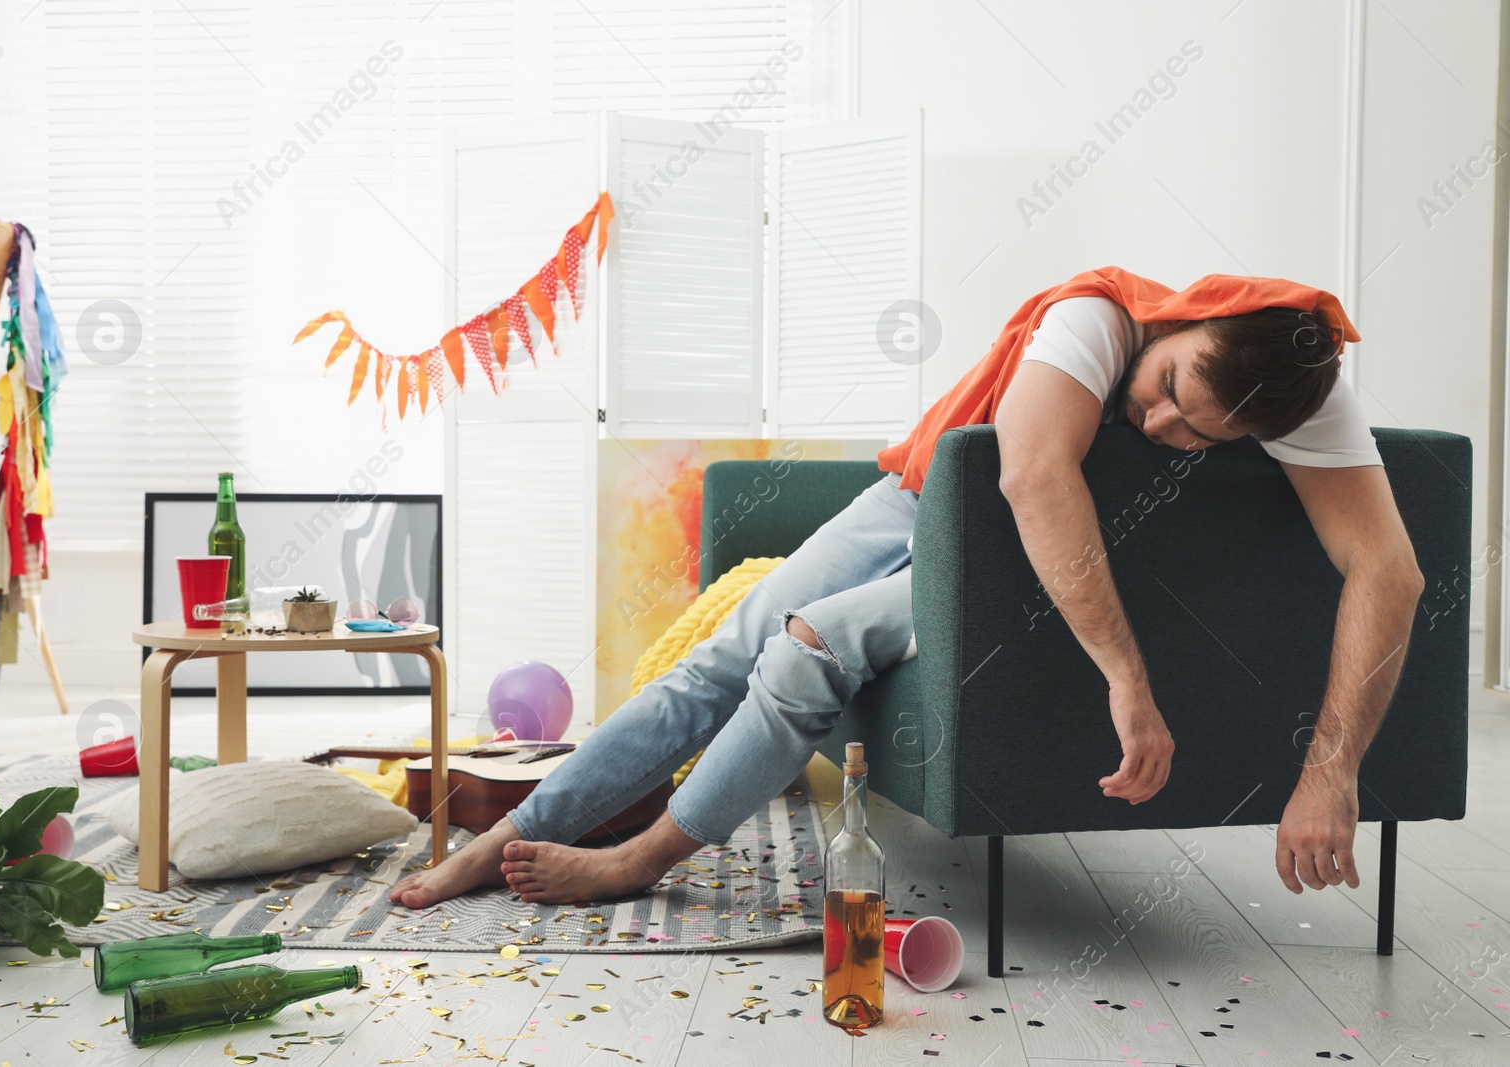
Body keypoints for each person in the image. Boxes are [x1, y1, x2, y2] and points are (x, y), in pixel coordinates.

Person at [389, 266, 1421, 908]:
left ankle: (637, 860)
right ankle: (511, 834)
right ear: (1181, 324)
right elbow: (1029, 471)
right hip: (913, 501)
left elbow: (1391, 568)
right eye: (1168, 396)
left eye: (1203, 439)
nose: (1164, 432)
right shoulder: (1096, 318)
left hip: (1009, 562)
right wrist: (1125, 678)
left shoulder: (1307, 397)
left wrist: (1331, 770)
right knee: (721, 657)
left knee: (803, 648)